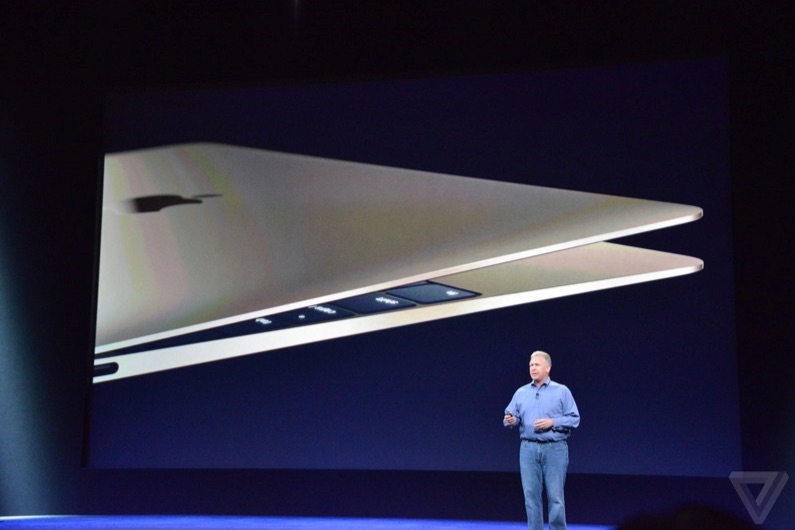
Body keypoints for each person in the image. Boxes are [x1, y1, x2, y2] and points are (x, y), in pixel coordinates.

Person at [503, 350, 580, 530]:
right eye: (531, 365)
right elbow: (510, 416)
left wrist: (552, 422)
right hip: (528, 449)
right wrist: (511, 420)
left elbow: (574, 419)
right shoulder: (521, 392)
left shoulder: (561, 391)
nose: (533, 368)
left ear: (548, 368)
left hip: (554, 449)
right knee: (531, 498)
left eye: (537, 364)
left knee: (555, 498)